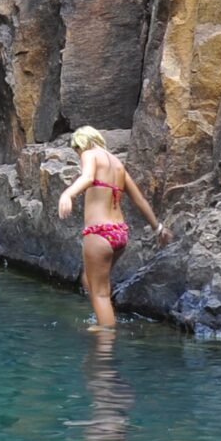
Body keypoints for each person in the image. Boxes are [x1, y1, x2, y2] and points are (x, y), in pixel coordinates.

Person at [54, 126, 168, 329]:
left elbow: (88, 178)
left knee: (99, 293)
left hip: (99, 233)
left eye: (77, 151)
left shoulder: (90, 153)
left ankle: (105, 339)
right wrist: (158, 228)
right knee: (89, 280)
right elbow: (139, 200)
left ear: (83, 144)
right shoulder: (118, 165)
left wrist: (68, 194)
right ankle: (106, 316)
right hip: (119, 234)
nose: (80, 156)